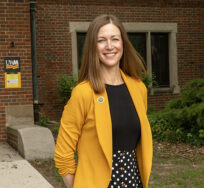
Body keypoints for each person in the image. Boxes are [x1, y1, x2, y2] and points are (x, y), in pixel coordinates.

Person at [54, 14, 153, 188]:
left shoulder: (138, 89)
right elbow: (63, 153)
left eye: (115, 39)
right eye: (101, 40)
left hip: (134, 183)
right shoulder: (83, 93)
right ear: (93, 46)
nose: (109, 46)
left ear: (123, 43)